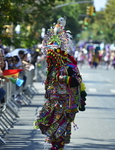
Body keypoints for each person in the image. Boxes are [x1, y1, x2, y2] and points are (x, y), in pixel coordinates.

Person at [34, 17, 83, 150]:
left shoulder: (69, 66)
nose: (50, 55)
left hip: (65, 105)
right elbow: (48, 83)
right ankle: (54, 146)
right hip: (52, 104)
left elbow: (77, 80)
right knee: (45, 124)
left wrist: (64, 79)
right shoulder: (52, 68)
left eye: (53, 52)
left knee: (59, 131)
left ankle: (57, 147)